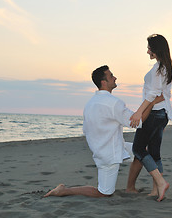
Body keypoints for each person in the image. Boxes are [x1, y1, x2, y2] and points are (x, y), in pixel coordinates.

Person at [44, 65, 164, 198]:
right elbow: (136, 121)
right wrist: (151, 103)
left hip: (106, 147)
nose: (115, 78)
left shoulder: (90, 103)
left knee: (140, 151)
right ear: (103, 82)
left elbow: (86, 129)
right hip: (108, 154)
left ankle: (130, 188)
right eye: (111, 76)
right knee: (104, 193)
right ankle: (64, 190)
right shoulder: (113, 103)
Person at [127, 34, 172, 202]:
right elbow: (165, 95)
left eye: (149, 47)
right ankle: (156, 190)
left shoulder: (158, 69)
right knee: (154, 152)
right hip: (163, 114)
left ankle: (161, 183)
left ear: (156, 49)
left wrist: (138, 112)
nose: (147, 50)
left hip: (154, 113)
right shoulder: (166, 67)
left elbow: (154, 93)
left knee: (138, 149)